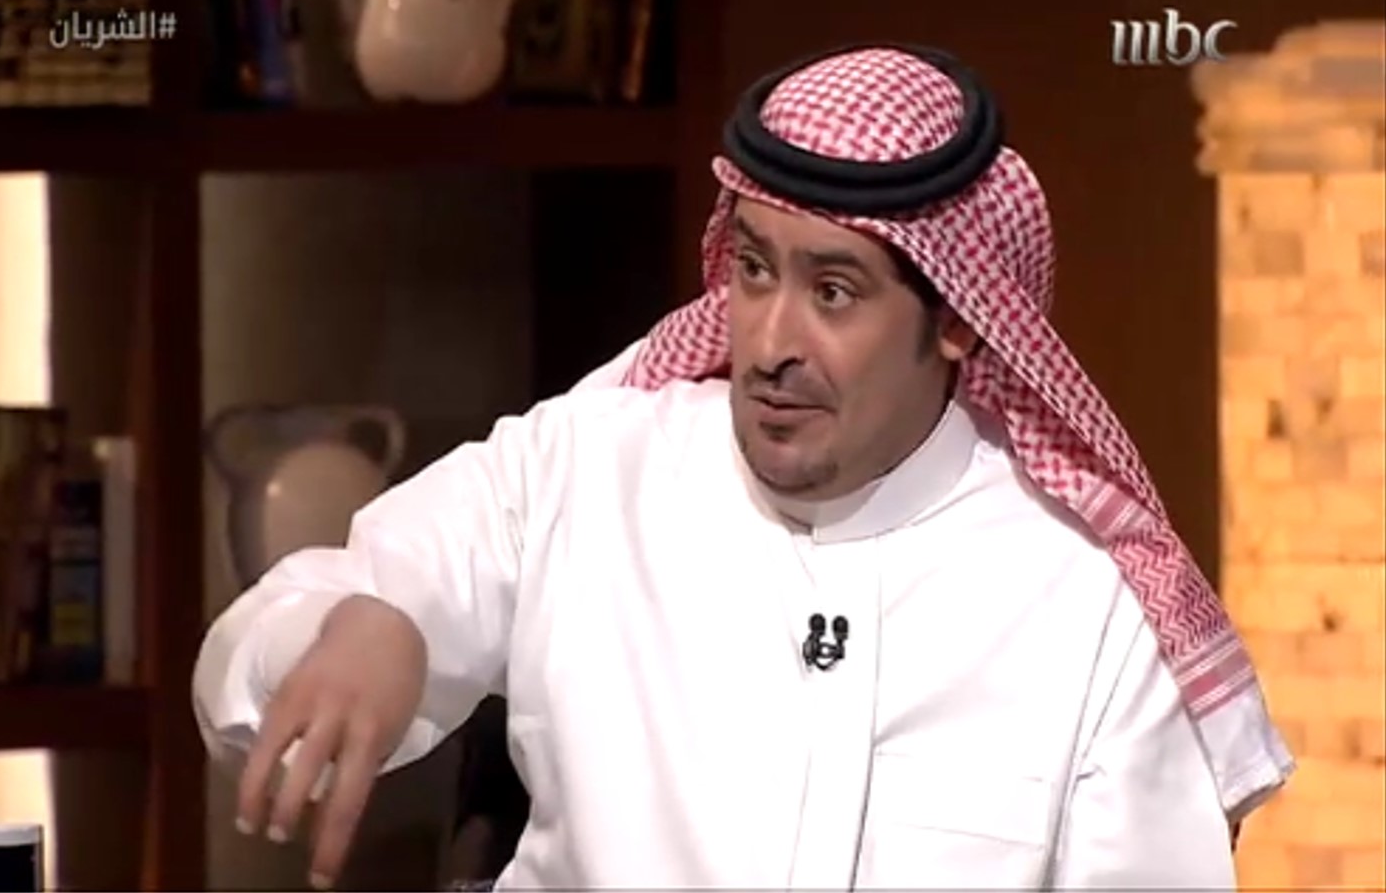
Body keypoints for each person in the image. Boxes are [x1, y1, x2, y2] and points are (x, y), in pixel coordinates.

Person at [192, 44, 1295, 891]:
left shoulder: (1087, 607)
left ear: (959, 319)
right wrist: (365, 623)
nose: (767, 341)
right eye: (756, 271)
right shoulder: (586, 471)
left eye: (834, 292)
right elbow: (247, 664)